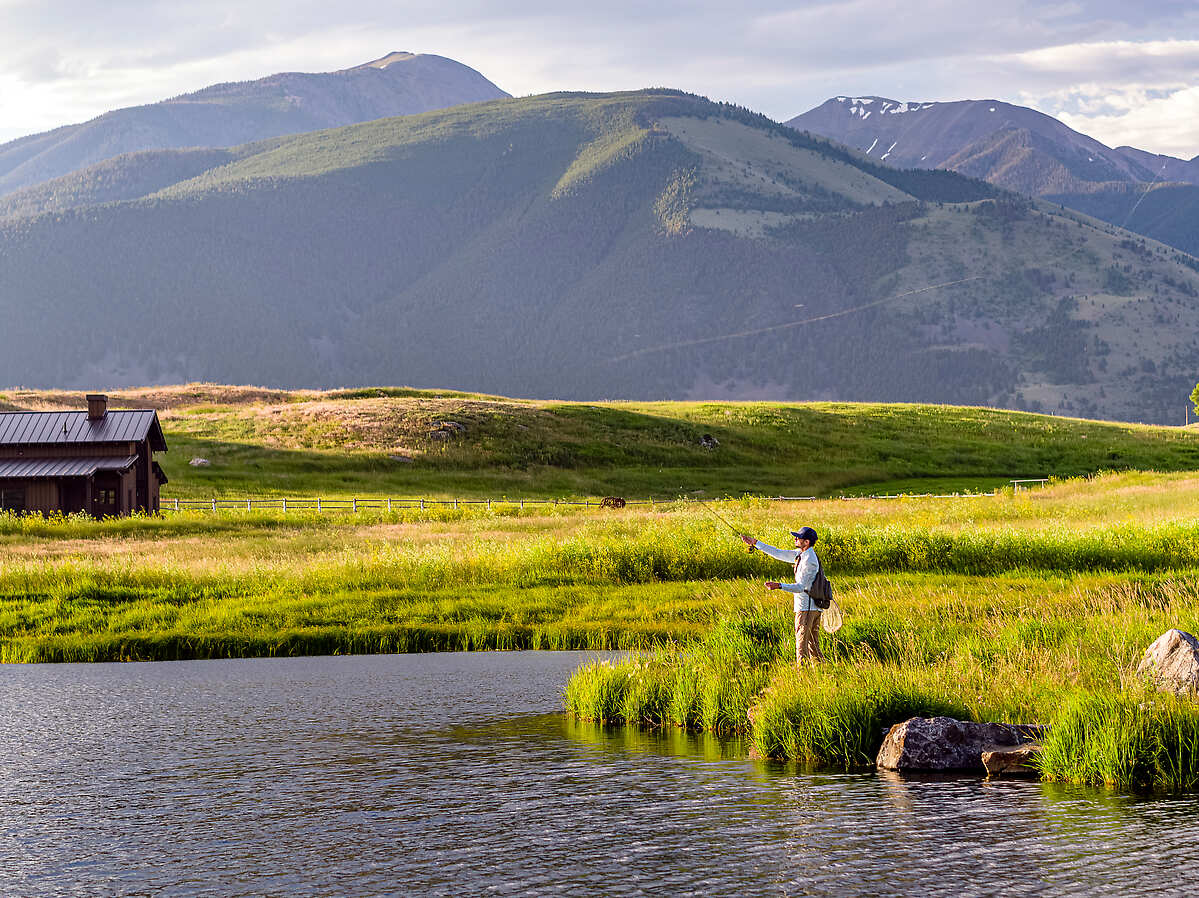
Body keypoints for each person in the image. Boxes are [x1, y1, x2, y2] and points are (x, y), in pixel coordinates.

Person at [741, 526, 824, 664]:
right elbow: (779, 553)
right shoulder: (801, 554)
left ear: (807, 542)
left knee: (801, 644)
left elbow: (800, 587)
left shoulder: (808, 560)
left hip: (806, 608)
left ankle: (801, 674)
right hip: (811, 607)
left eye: (799, 537)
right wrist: (756, 543)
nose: (795, 538)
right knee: (812, 645)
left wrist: (779, 585)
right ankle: (822, 672)